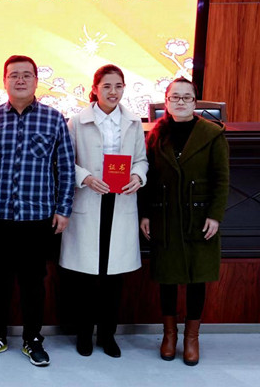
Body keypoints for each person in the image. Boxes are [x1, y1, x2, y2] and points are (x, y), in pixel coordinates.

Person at [0, 55, 75, 367]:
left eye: (27, 75)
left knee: (34, 283)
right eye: (14, 75)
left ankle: (33, 339)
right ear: (4, 80)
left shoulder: (54, 119)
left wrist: (63, 209)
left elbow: (66, 168)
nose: (20, 80)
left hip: (38, 217)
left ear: (36, 81)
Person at [59, 65, 148, 357]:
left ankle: (108, 336)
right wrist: (85, 177)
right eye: (107, 86)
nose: (113, 92)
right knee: (85, 278)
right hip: (89, 199)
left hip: (120, 201)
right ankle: (84, 335)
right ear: (95, 89)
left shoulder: (133, 122)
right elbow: (65, 161)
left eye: (118, 86)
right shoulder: (77, 121)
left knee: (113, 277)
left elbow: (142, 159)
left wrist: (137, 176)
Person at [139, 77, 229, 366]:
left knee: (196, 278)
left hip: (199, 217)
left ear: (195, 102)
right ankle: (169, 335)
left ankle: (191, 338)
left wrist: (215, 215)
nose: (180, 102)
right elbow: (148, 179)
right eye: (174, 97)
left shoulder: (212, 133)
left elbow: (221, 179)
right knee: (167, 278)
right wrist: (145, 214)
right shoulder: (156, 134)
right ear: (166, 102)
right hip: (165, 216)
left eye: (186, 97)